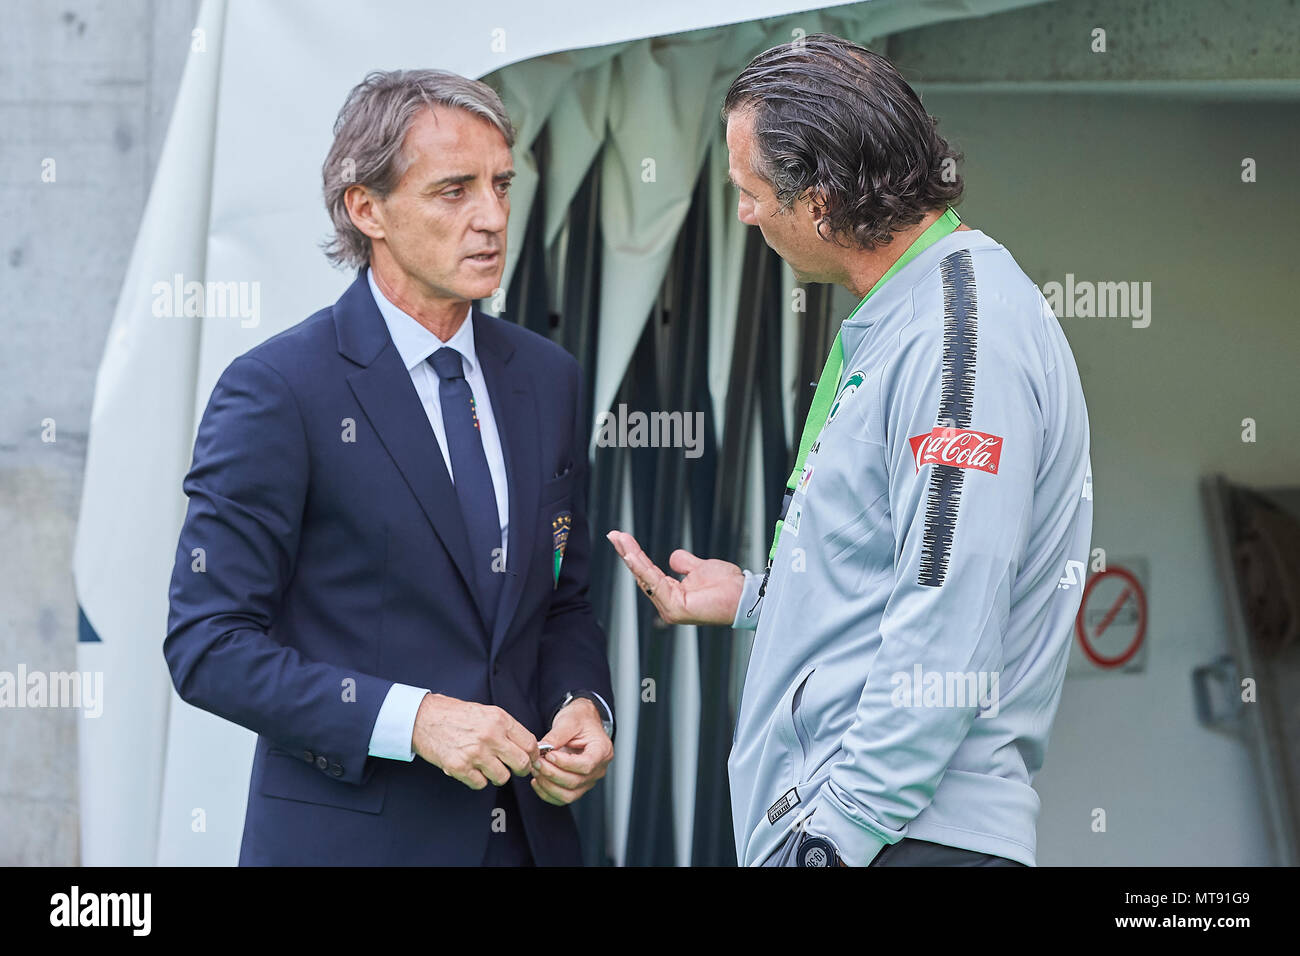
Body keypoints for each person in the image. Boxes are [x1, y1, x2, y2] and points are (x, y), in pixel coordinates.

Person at [608, 34, 1092, 867]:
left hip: (898, 841)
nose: (745, 214)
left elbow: (951, 606)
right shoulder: (910, 315)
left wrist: (838, 836)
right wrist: (762, 598)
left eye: (751, 192)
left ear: (823, 200)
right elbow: (901, 572)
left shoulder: (955, 338)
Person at [165, 69, 614, 866]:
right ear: (365, 209)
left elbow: (563, 601)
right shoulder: (279, 389)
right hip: (347, 844)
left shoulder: (549, 378)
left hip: (529, 844)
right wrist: (414, 720)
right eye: (453, 191)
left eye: (501, 185)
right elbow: (208, 644)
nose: (492, 217)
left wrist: (582, 704)